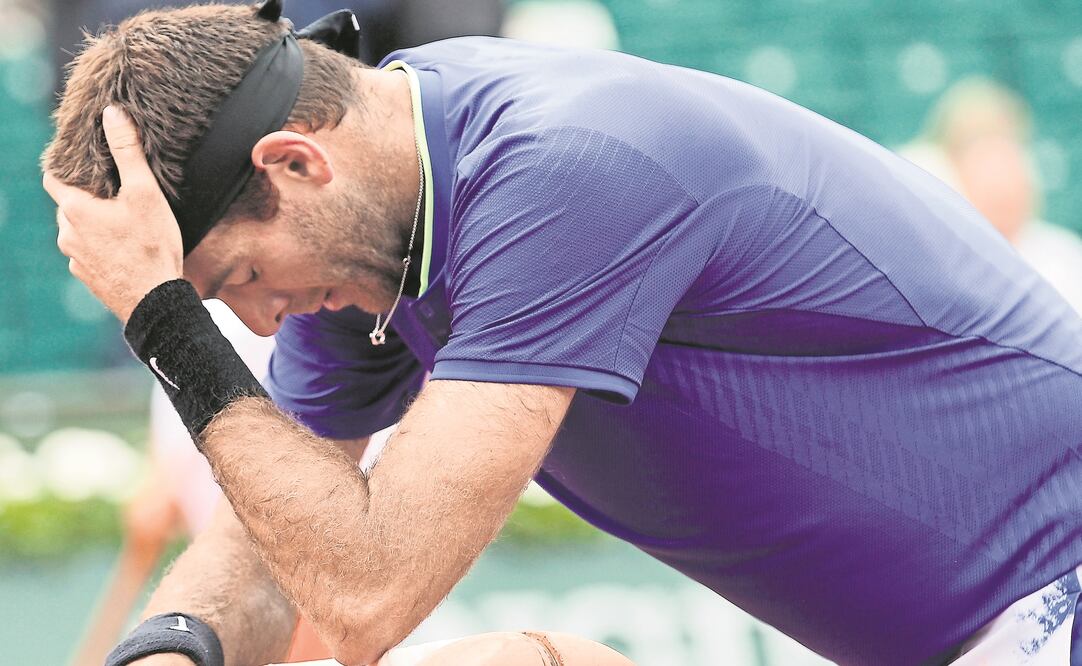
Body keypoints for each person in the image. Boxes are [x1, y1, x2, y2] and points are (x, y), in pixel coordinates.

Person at [40, 2, 1082, 665]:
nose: (259, 320)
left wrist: (165, 324)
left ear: (296, 165)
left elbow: (367, 592)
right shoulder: (371, 229)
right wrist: (168, 652)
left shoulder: (560, 168)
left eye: (242, 280)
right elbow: (267, 557)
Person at [900, 77, 1082, 313]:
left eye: (1009, 158)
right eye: (984, 161)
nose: (1002, 181)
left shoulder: (1062, 255)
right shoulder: (935, 266)